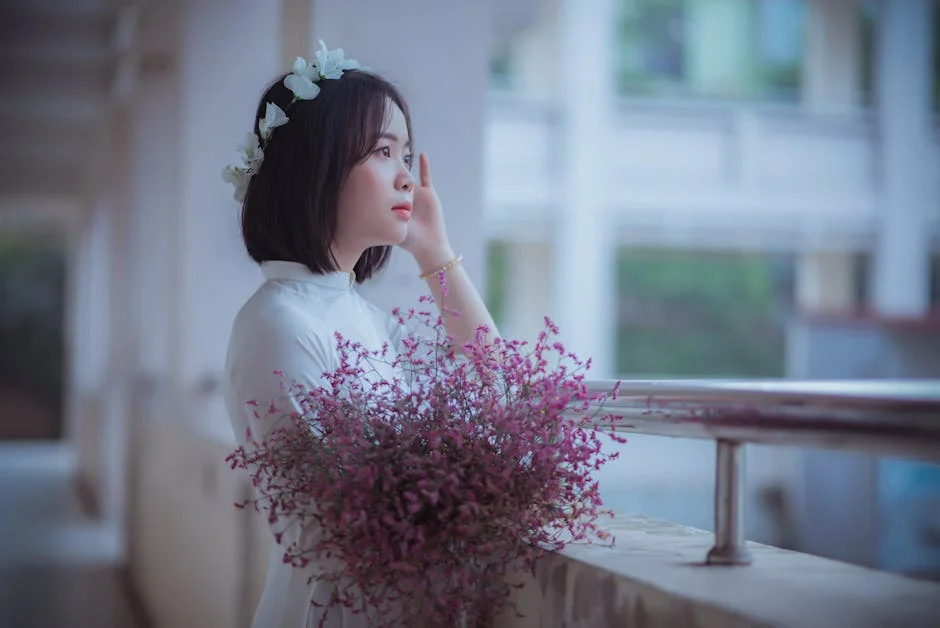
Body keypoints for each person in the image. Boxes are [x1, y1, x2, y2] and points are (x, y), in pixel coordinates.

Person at [221, 43, 498, 628]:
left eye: (406, 151)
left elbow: (498, 386)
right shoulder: (280, 325)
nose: (406, 175)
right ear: (317, 165)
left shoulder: (363, 318)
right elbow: (339, 528)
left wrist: (434, 250)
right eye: (381, 150)